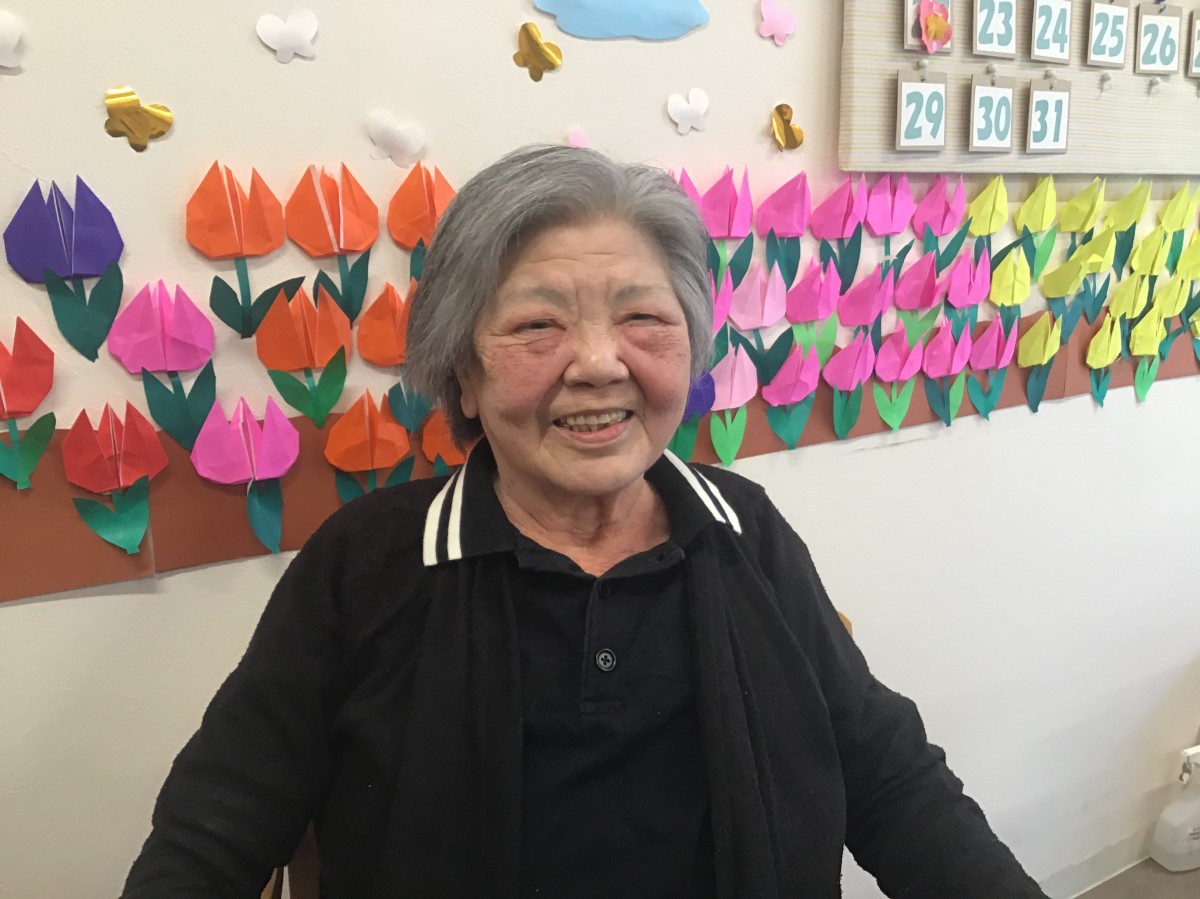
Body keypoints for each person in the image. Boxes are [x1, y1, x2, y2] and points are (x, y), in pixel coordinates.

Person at [123, 145, 1048, 897]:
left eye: (644, 317)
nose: (600, 363)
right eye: (538, 326)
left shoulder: (745, 530)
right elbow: (213, 829)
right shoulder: (365, 562)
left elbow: (890, 777)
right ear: (464, 376)